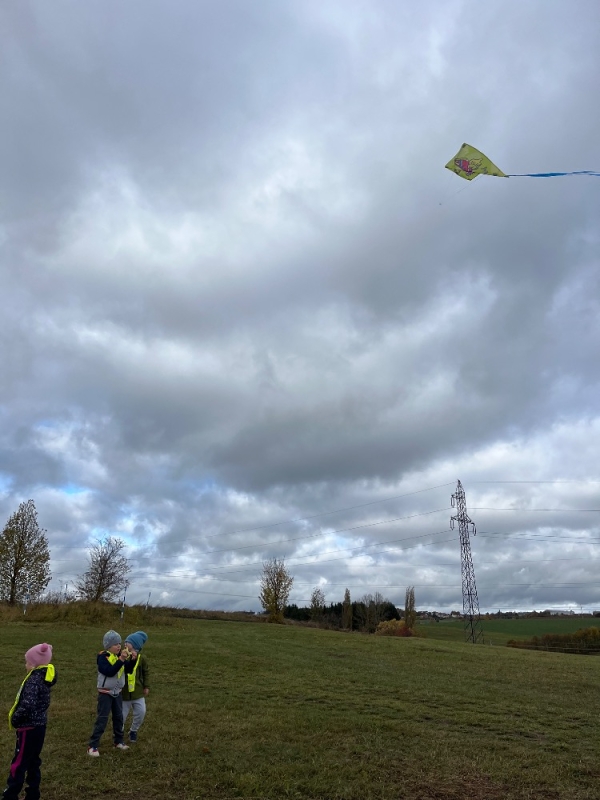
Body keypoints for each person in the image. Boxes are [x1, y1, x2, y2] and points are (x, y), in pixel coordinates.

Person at [3, 642, 57, 800]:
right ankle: (33, 793)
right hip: (40, 727)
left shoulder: (33, 680)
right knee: (34, 761)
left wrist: (16, 717)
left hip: (28, 728)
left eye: (27, 662)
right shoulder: (45, 677)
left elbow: (28, 704)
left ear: (33, 665)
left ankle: (10, 795)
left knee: (19, 763)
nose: (25, 665)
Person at [87, 630, 132, 756]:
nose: (118, 646)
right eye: (115, 644)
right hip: (105, 693)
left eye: (119, 643)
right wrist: (121, 660)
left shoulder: (120, 657)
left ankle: (118, 741)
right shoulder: (103, 657)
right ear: (108, 646)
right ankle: (93, 745)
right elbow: (109, 671)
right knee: (102, 719)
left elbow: (129, 670)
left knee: (119, 718)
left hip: (117, 693)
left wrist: (131, 660)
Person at [121, 631, 149, 743]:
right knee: (121, 716)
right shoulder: (122, 656)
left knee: (141, 712)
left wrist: (146, 686)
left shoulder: (142, 658)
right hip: (124, 693)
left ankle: (133, 731)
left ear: (135, 645)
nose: (125, 643)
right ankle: (119, 732)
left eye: (128, 642)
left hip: (137, 692)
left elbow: (146, 673)